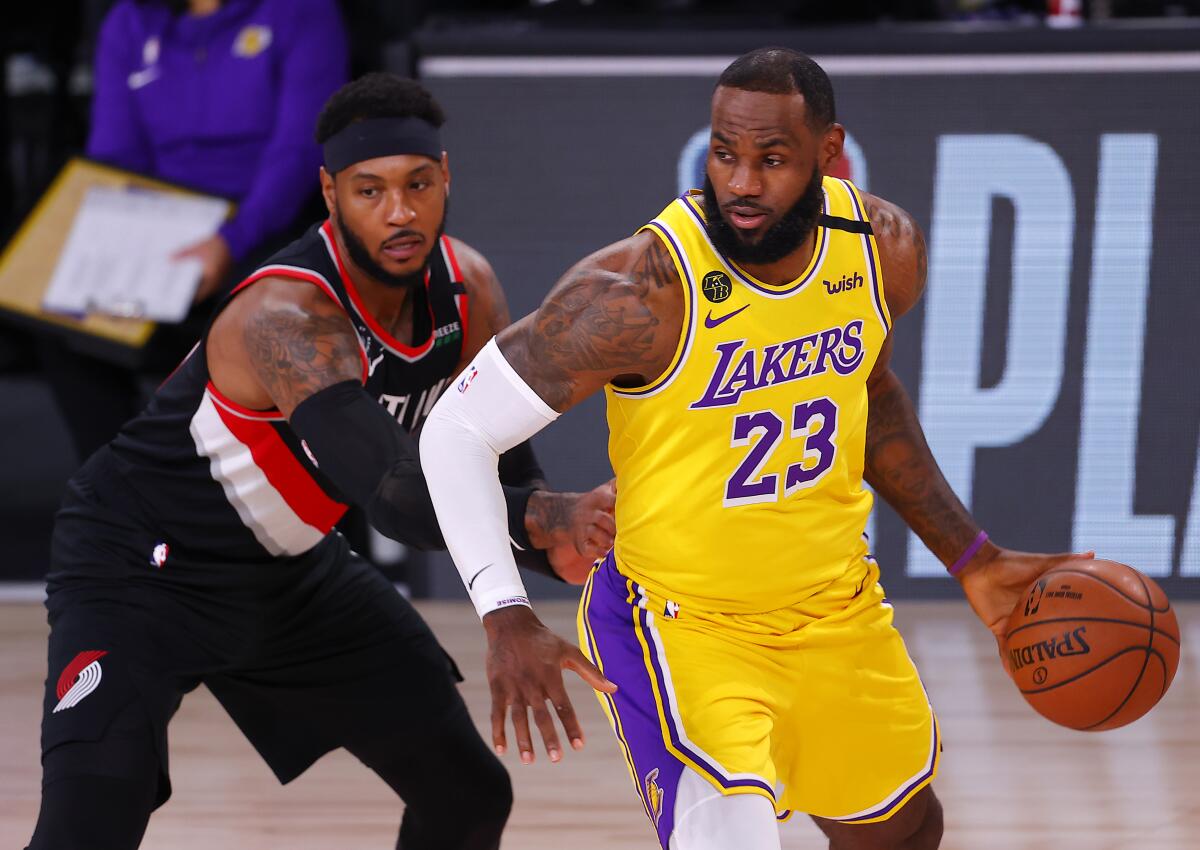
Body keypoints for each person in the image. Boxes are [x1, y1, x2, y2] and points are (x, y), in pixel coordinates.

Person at [418, 47, 1093, 850]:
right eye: (725, 153)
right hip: (682, 626)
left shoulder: (881, 248)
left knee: (907, 832)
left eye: (771, 159)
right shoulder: (639, 294)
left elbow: (868, 400)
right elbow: (454, 432)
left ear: (828, 152)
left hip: (833, 611)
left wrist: (972, 557)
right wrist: (503, 613)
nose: (740, 182)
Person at [25, 73, 615, 850]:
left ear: (447, 178)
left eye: (418, 185)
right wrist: (545, 519)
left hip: (293, 572)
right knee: (90, 822)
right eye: (370, 191)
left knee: (467, 795)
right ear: (331, 193)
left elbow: (508, 477)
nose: (399, 212)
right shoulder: (286, 319)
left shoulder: (467, 290)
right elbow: (394, 496)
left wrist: (561, 546)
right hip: (142, 564)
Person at [40, 0, 349, 463]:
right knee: (61, 320)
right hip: (163, 230)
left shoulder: (302, 12)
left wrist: (229, 242)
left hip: (265, 224)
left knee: (268, 308)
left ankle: (297, 502)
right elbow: (116, 154)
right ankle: (119, 492)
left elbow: (297, 154)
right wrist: (131, 246)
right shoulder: (128, 20)